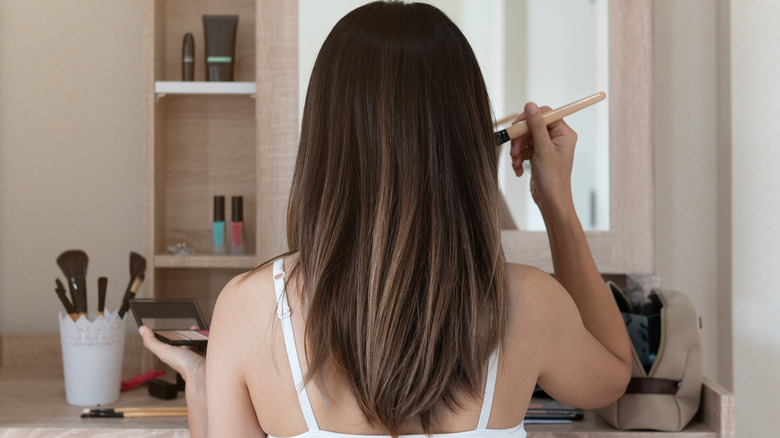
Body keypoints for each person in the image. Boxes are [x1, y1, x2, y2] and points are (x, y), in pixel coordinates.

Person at [140, 2, 632, 437]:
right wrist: (556, 202)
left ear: (323, 137)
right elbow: (614, 375)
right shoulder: (527, 304)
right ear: (465, 138)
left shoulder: (247, 313)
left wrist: (203, 380)